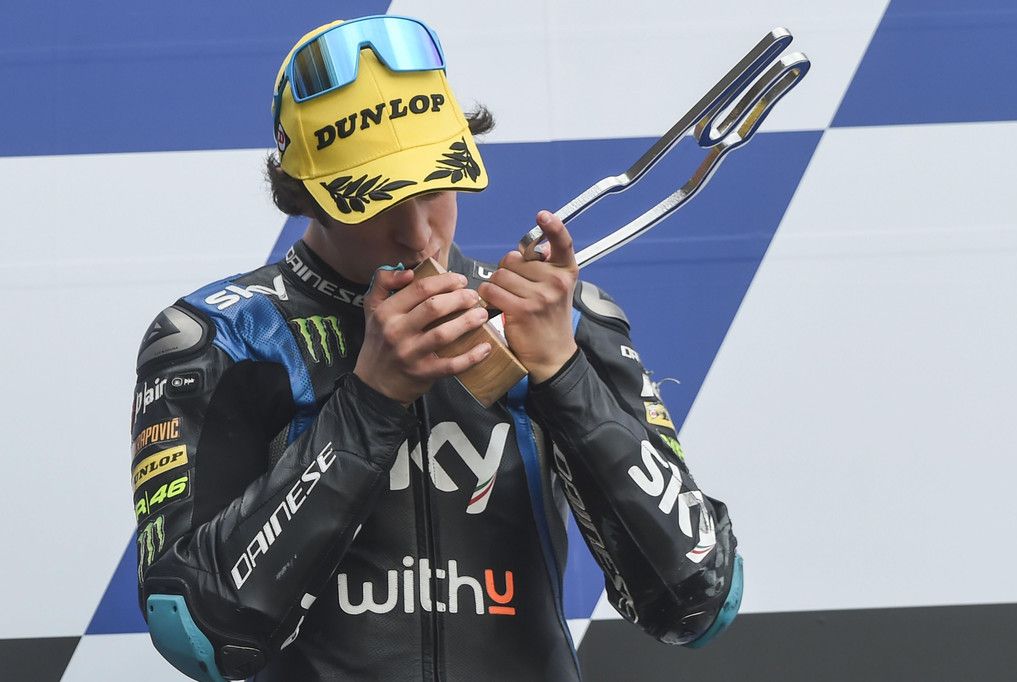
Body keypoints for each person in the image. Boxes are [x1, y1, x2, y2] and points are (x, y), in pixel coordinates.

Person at [130, 15, 742, 682]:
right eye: (375, 202)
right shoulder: (222, 336)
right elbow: (197, 632)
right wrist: (369, 402)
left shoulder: (560, 317)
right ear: (305, 195)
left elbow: (700, 601)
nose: (419, 234)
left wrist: (565, 376)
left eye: (436, 185)